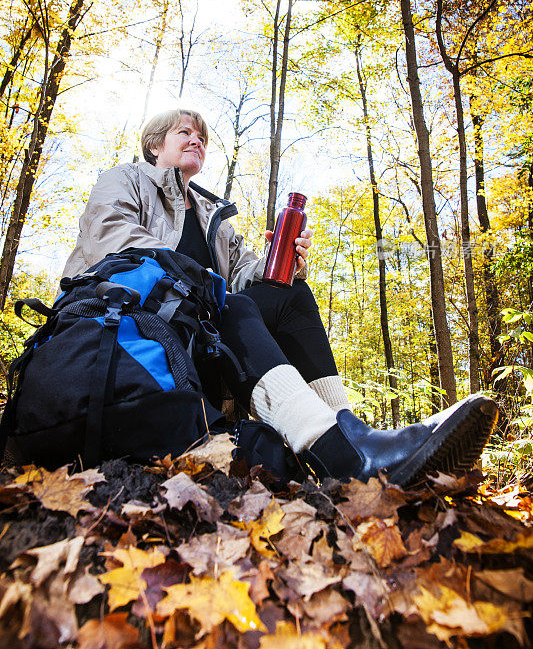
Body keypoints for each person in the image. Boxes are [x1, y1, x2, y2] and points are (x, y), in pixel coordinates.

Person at [62, 108, 498, 485]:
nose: (196, 140)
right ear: (156, 146)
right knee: (226, 301)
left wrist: (286, 263)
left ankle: (349, 436)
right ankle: (344, 457)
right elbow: (111, 239)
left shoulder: (214, 216)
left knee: (290, 295)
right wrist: (205, 284)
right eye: (184, 133)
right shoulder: (127, 180)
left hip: (206, 331)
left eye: (202, 138)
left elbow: (249, 277)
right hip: (133, 326)